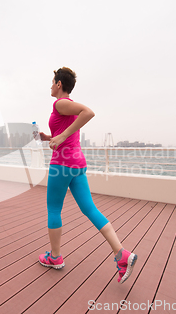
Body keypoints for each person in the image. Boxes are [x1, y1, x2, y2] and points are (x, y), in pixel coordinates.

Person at [37, 67, 138, 284]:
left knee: (54, 209)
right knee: (89, 209)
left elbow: (89, 113)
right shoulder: (66, 107)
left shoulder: (60, 103)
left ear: (59, 85)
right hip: (77, 163)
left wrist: (61, 135)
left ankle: (55, 258)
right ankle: (122, 255)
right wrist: (49, 137)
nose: (50, 86)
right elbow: (69, 131)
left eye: (52, 82)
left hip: (61, 164)